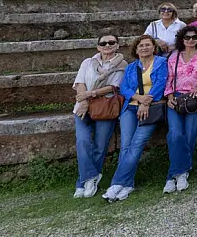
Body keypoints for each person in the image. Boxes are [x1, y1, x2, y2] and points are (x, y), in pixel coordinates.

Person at [102, 35, 168, 202]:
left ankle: (117, 183)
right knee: (126, 146)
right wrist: (139, 99)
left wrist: (146, 103)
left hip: (151, 108)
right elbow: (124, 88)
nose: (144, 48)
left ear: (154, 48)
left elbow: (161, 84)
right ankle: (128, 184)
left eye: (147, 45)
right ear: (136, 50)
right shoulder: (131, 67)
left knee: (137, 144)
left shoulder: (160, 63)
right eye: (141, 46)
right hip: (130, 108)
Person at [72, 34, 127, 198]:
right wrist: (83, 101)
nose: (107, 45)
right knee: (82, 141)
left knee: (100, 146)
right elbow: (80, 82)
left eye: (112, 42)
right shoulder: (87, 62)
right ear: (98, 47)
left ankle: (83, 183)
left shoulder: (122, 65)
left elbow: (113, 86)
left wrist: (90, 95)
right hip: (82, 107)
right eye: (103, 43)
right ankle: (89, 177)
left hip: (106, 107)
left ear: (117, 45)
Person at [164, 26, 197, 194]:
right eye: (187, 37)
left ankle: (175, 175)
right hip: (176, 98)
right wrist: (169, 97)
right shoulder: (174, 56)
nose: (190, 40)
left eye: (193, 37)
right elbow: (169, 78)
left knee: (190, 134)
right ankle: (177, 173)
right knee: (175, 134)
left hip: (195, 99)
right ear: (181, 39)